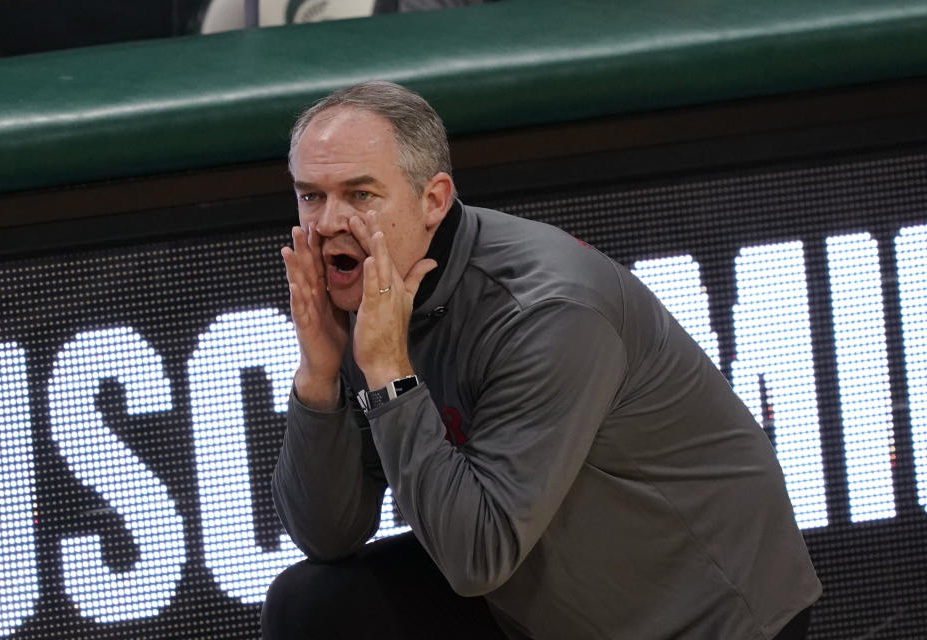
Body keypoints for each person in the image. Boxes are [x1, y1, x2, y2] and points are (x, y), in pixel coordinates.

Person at [262, 80, 822, 640]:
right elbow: (328, 535)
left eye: (360, 195)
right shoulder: (374, 296)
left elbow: (477, 559)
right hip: (535, 596)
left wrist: (387, 373)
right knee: (312, 608)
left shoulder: (546, 311)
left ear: (433, 199)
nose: (329, 222)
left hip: (700, 618)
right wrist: (320, 373)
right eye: (312, 196)